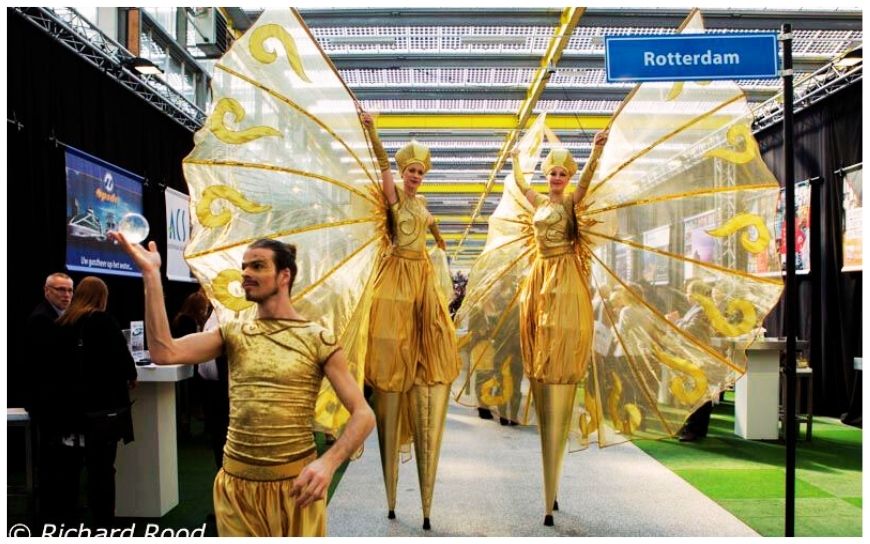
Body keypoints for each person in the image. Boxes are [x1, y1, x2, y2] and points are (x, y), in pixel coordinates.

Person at [110, 232, 375, 537]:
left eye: (258, 266)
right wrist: (151, 276)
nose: (246, 273)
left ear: (284, 275)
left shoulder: (318, 339)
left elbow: (363, 414)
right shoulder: (233, 333)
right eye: (245, 266)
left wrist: (328, 463)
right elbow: (164, 351)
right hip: (235, 486)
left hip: (295, 487)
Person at [361, 112, 460, 530]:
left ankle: (423, 499)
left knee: (432, 343)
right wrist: (372, 130)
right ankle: (389, 493)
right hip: (395, 279)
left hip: (421, 280)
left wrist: (440, 247)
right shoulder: (396, 198)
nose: (416, 176)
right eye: (411, 170)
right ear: (403, 172)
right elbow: (382, 168)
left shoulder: (421, 206)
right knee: (390, 347)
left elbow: (433, 230)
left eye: (420, 171)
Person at [511, 130, 607, 526]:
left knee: (561, 340)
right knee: (538, 344)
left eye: (560, 173)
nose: (555, 178)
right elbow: (519, 183)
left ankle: (554, 484)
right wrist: (518, 156)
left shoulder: (571, 203)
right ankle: (551, 480)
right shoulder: (536, 201)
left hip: (564, 277)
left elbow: (585, 183)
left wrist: (596, 150)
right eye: (551, 172)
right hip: (538, 278)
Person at [39, 276, 137, 529]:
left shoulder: (61, 322)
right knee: (102, 472)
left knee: (70, 472)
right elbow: (125, 364)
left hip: (70, 413)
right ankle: (104, 525)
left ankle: (68, 524)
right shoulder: (103, 321)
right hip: (101, 414)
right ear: (102, 297)